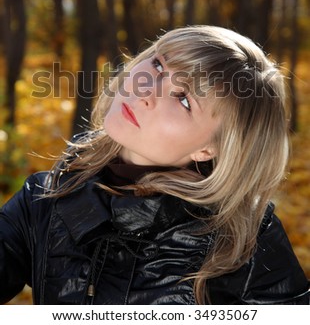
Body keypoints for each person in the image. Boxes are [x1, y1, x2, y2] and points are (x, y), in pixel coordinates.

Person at [0, 25, 309, 305]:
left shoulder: (243, 240)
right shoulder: (47, 197)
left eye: (184, 99)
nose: (146, 90)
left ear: (209, 149)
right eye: (159, 66)